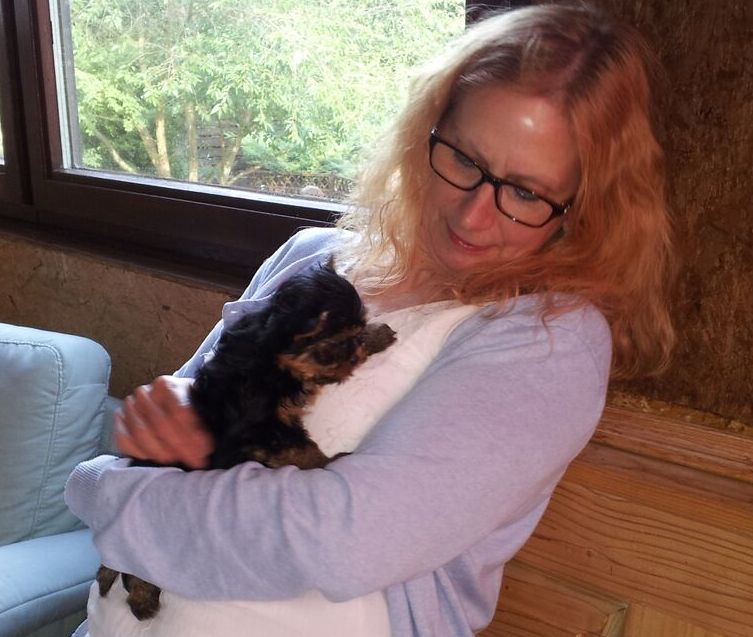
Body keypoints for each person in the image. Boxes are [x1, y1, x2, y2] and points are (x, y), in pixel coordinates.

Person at [64, 2, 675, 636]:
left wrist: (99, 489)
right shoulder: (311, 256)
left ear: (582, 208)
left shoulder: (548, 338)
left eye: (525, 192)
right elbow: (160, 423)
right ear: (426, 130)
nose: (472, 216)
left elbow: (342, 542)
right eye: (464, 161)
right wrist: (161, 437)